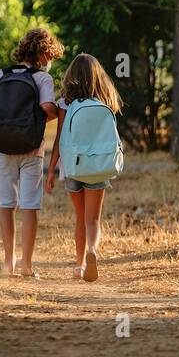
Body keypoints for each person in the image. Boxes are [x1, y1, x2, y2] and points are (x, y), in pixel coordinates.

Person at [0, 28, 63, 277]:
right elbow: (46, 106)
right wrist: (57, 114)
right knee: (30, 205)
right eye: (51, 57)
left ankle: (8, 263)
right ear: (44, 54)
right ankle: (27, 265)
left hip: (3, 145)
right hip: (32, 147)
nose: (51, 62)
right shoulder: (42, 79)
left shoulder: (2, 74)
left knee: (6, 203)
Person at [45, 53, 123, 282]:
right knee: (93, 220)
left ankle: (79, 265)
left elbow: (59, 139)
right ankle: (92, 251)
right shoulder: (105, 101)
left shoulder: (65, 103)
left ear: (71, 77)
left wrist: (51, 170)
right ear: (98, 77)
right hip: (98, 165)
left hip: (73, 167)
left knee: (80, 217)